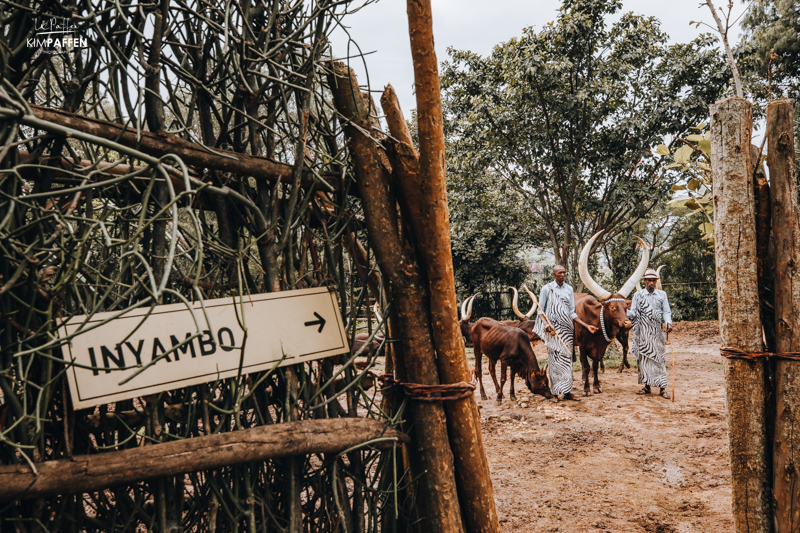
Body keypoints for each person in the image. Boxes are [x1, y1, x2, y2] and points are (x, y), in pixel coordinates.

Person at [533, 265, 597, 402]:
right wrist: (546, 324)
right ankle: (555, 393)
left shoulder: (569, 289)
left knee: (567, 360)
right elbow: (540, 311)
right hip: (552, 330)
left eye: (564, 272)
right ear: (554, 274)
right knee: (555, 360)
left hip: (568, 329)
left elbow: (572, 312)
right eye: (559, 273)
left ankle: (567, 391)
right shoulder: (546, 289)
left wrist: (587, 326)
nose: (562, 275)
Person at [627, 268, 673, 397]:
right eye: (649, 280)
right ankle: (646, 386)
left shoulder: (661, 294)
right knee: (645, 359)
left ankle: (662, 388)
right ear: (645, 281)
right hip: (643, 332)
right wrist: (623, 312)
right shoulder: (638, 295)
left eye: (653, 280)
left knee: (659, 359)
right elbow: (634, 312)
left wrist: (668, 322)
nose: (651, 283)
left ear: (656, 281)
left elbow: (666, 311)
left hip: (657, 331)